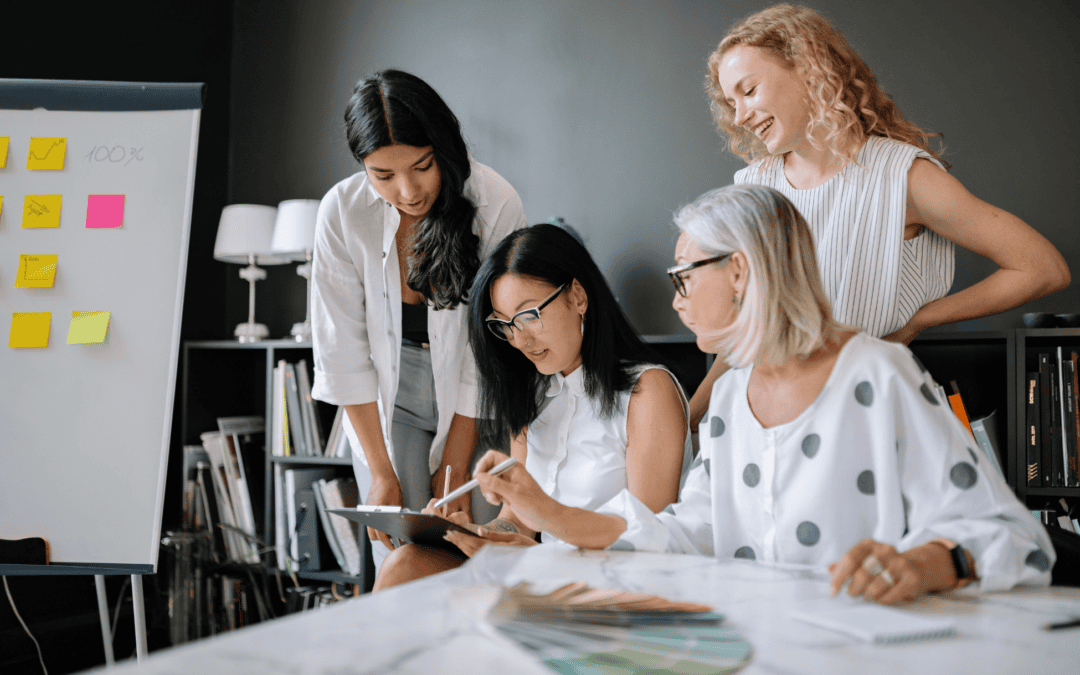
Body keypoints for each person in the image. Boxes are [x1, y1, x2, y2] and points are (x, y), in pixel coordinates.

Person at [471, 185, 1054, 605]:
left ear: (740, 272)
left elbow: (1014, 537)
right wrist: (544, 511)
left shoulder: (878, 374)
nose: (676, 299)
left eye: (684, 277)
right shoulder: (728, 401)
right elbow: (684, 532)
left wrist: (926, 564)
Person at [686, 3, 1070, 429]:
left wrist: (917, 322)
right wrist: (690, 418)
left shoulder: (904, 178)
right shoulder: (750, 188)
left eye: (749, 90)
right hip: (758, 422)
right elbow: (744, 331)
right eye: (730, 102)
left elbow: (1042, 268)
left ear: (807, 67)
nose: (739, 116)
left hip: (860, 418)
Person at [372, 224, 693, 589]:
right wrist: (474, 533)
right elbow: (516, 520)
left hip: (615, 579)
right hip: (545, 569)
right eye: (505, 324)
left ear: (577, 296)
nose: (520, 339)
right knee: (406, 563)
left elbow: (647, 535)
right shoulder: (533, 395)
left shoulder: (647, 390)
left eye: (529, 315)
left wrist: (539, 551)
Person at [309, 69, 527, 570]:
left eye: (422, 167)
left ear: (442, 149)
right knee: (404, 549)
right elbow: (340, 349)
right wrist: (380, 469)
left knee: (477, 548)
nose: (407, 191)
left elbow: (489, 344)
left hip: (482, 394)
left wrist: (456, 454)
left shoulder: (495, 202)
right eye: (382, 176)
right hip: (393, 397)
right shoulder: (341, 212)